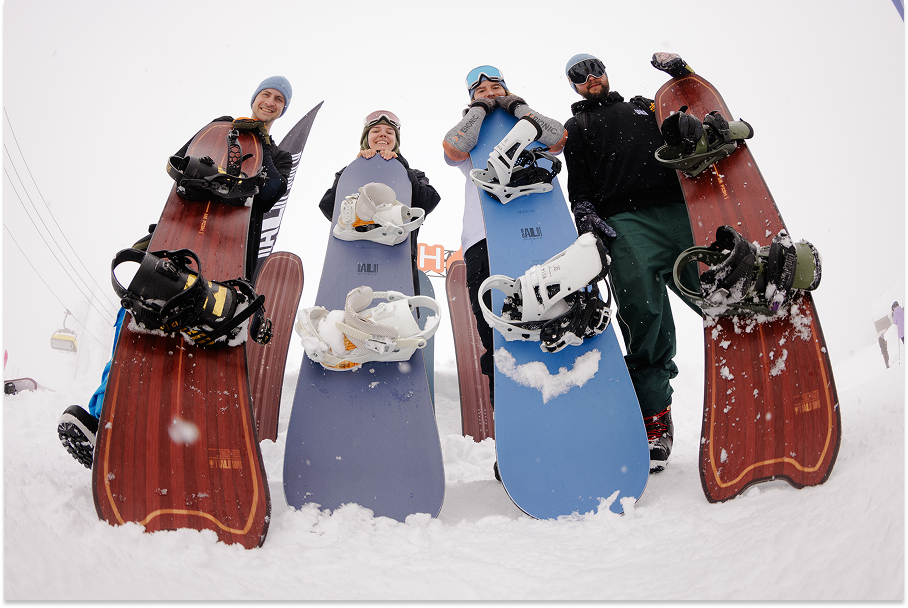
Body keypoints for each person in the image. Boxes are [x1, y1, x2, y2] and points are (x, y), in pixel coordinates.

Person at [57, 76, 295, 469]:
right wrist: (227, 133)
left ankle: (176, 439)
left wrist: (261, 143)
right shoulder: (220, 128)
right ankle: (102, 421)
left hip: (228, 252)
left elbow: (269, 192)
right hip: (182, 235)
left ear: (283, 110)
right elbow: (179, 163)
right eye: (266, 94)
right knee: (140, 318)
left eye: (279, 99)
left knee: (199, 342)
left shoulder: (279, 155)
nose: (270, 102)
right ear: (254, 98)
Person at [561, 52, 703, 472]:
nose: (590, 77)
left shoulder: (644, 106)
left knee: (713, 287)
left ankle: (761, 347)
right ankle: (655, 416)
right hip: (624, 222)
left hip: (677, 209)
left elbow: (695, 115)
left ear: (605, 73)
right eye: (579, 75)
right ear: (574, 85)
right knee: (643, 313)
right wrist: (584, 213)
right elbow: (579, 182)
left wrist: (682, 77)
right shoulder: (577, 126)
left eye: (595, 68)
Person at [442, 65, 567, 411]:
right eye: (481, 91)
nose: (490, 93)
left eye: (496, 88)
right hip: (484, 236)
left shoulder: (527, 121)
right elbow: (453, 149)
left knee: (555, 312)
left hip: (542, 231)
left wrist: (518, 107)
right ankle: (511, 411)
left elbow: (558, 138)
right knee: (496, 325)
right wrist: (479, 110)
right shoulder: (472, 131)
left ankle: (566, 394)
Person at [318, 110, 440, 295]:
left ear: (395, 141)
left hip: (398, 258)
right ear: (366, 138)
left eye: (389, 132)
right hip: (351, 255)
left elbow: (426, 203)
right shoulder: (347, 173)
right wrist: (357, 169)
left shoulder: (413, 174)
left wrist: (400, 167)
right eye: (376, 131)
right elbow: (329, 208)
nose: (383, 134)